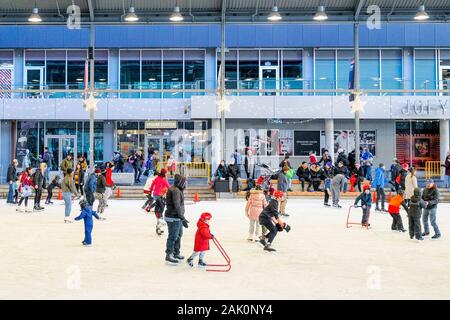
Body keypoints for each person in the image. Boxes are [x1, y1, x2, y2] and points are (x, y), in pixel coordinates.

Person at [164, 174, 188, 264]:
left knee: (179, 234)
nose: (185, 184)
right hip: (173, 217)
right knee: (173, 236)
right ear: (180, 182)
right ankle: (169, 254)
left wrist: (181, 217)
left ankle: (176, 252)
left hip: (177, 217)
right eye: (184, 182)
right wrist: (183, 218)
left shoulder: (178, 189)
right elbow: (177, 205)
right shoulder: (175, 191)